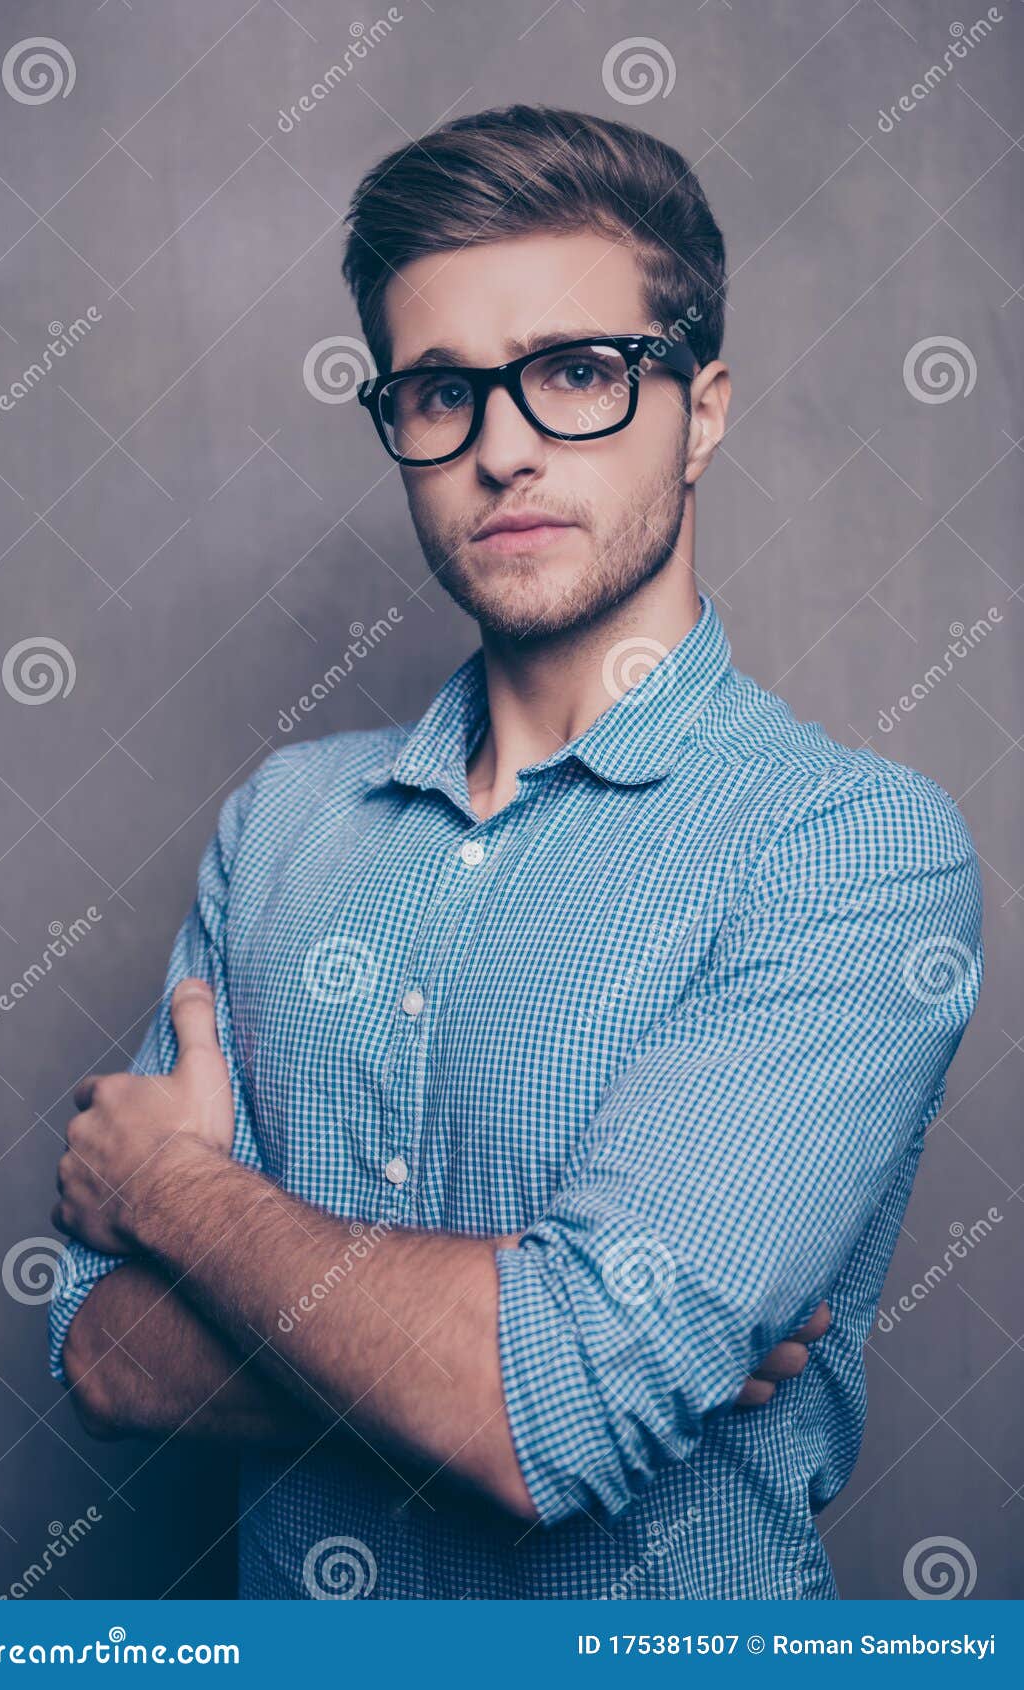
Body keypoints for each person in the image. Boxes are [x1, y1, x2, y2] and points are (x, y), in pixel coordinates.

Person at [49, 104, 983, 1601]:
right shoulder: (283, 824)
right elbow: (104, 1353)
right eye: (438, 391)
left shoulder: (850, 847)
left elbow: (543, 1405)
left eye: (576, 373)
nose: (501, 447)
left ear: (708, 405)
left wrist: (173, 1197)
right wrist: (554, 1343)